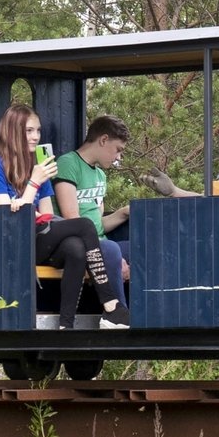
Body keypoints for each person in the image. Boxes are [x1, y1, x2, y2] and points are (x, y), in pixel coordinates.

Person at [0, 103, 128, 329]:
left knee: (76, 248)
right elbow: (9, 223)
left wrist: (31, 197)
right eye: (29, 130)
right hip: (11, 246)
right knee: (85, 225)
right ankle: (111, 305)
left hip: (38, 239)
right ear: (11, 132)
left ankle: (66, 325)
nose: (35, 136)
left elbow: (47, 216)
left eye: (38, 130)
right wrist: (33, 183)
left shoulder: (37, 168)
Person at [52, 114, 132, 300]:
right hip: (78, 245)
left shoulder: (100, 176)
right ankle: (117, 311)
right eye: (118, 150)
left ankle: (144, 312)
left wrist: (123, 213)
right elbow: (73, 219)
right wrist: (116, 258)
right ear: (103, 140)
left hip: (101, 242)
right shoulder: (68, 164)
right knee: (111, 250)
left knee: (145, 247)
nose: (118, 158)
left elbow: (98, 224)